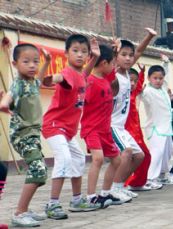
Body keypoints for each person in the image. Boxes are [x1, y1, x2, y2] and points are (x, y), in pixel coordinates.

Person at [42, 35, 99, 219]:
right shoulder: (67, 74)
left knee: (79, 159)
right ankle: (52, 204)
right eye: (75, 51)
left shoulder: (80, 76)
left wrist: (96, 56)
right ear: (66, 53)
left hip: (67, 130)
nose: (80, 55)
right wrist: (52, 79)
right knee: (64, 159)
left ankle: (76, 200)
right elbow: (61, 78)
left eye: (84, 52)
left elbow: (84, 74)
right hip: (54, 125)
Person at [0, 44, 50, 227]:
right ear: (15, 63)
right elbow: (8, 98)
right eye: (26, 61)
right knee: (38, 170)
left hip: (33, 135)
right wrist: (4, 105)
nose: (32, 65)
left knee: (40, 172)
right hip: (23, 136)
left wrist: (49, 62)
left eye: (35, 62)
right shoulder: (18, 84)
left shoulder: (32, 83)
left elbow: (41, 79)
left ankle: (25, 209)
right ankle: (19, 213)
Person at [109, 28, 157, 201]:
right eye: (124, 54)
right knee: (127, 152)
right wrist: (113, 51)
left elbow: (139, 51)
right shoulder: (113, 74)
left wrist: (150, 36)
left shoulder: (127, 73)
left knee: (140, 156)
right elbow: (107, 66)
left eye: (130, 55)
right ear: (116, 57)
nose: (129, 58)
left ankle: (121, 186)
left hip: (122, 127)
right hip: (112, 125)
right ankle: (113, 190)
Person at [80, 44, 123, 208]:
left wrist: (115, 49)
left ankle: (105, 193)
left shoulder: (106, 79)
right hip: (92, 129)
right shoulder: (90, 82)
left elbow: (114, 71)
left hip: (105, 130)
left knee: (116, 160)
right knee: (97, 159)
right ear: (104, 63)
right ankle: (91, 197)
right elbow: (79, 100)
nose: (114, 67)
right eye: (112, 63)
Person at [141, 54, 173, 186]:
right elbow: (140, 94)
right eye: (155, 78)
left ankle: (162, 175)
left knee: (167, 152)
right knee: (157, 153)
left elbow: (166, 71)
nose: (158, 80)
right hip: (155, 128)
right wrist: (140, 89)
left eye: (160, 78)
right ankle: (150, 178)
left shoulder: (163, 87)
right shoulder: (147, 92)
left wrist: (166, 61)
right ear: (149, 78)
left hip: (167, 128)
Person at [124, 64, 154, 191]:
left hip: (137, 133)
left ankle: (136, 183)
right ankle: (124, 184)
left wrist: (142, 71)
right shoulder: (120, 94)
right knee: (130, 159)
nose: (132, 83)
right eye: (129, 80)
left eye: (134, 81)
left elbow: (140, 84)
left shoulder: (134, 92)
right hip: (127, 133)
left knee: (145, 157)